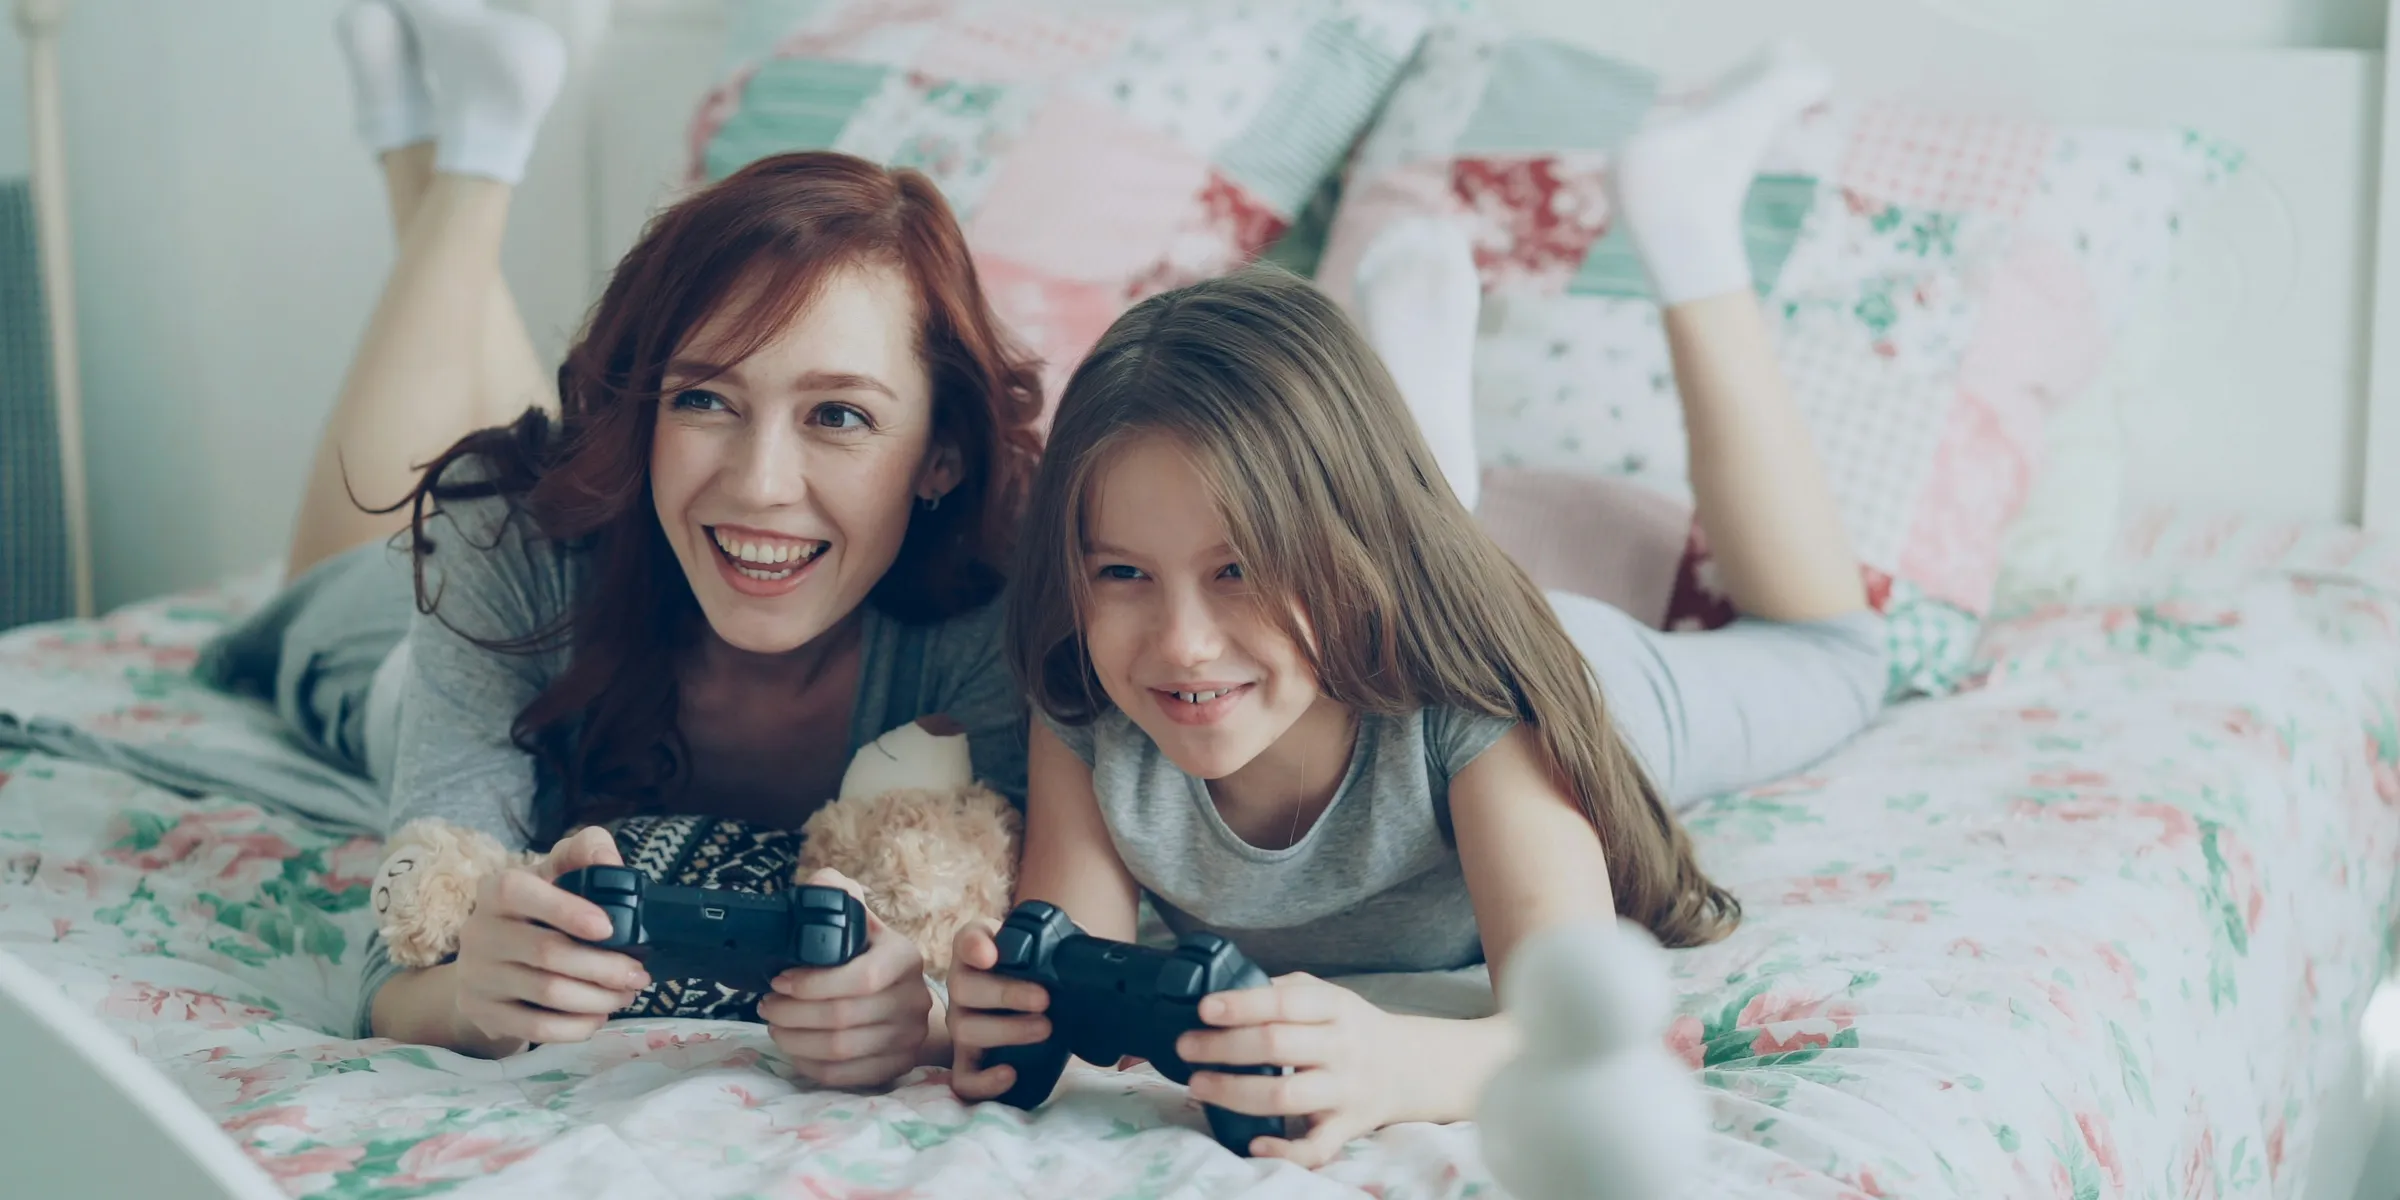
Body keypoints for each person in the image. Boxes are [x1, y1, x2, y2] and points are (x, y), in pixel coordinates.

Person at [942, 45, 1885, 1165]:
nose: (1180, 642)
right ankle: (1426, 479)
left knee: (1835, 654)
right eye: (1122, 573)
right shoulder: (1091, 698)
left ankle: (1687, 228)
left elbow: (1569, 1016)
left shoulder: (1486, 708)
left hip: (1561, 661)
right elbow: (1084, 973)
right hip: (1373, 592)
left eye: (1239, 566)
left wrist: (1399, 1064)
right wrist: (1012, 1015)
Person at [195, 1, 1041, 1087]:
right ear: (644, 408)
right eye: (702, 399)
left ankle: (445, 143)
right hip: (380, 652)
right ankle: (460, 166)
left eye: (839, 416)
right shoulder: (502, 554)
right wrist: (473, 993)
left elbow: (1015, 967)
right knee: (344, 557)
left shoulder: (995, 627)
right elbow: (392, 971)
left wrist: (917, 1021)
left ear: (943, 457)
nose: (760, 486)